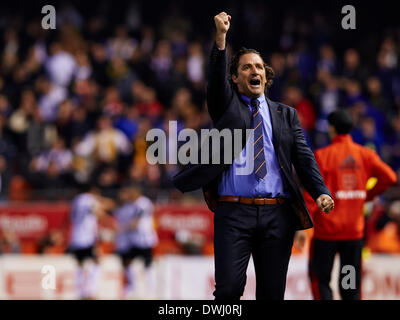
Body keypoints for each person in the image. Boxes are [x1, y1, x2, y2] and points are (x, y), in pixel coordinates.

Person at [172, 12, 334, 300]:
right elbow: (214, 81)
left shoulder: (287, 115)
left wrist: (320, 191)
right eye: (246, 67)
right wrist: (221, 40)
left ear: (266, 76)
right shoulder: (226, 107)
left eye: (258, 66)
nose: (254, 71)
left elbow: (304, 158)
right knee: (229, 290)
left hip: (277, 214)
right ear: (235, 78)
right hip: (233, 214)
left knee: (272, 294)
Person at [304, 109, 397, 300]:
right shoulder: (365, 154)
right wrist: (367, 195)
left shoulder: (322, 155)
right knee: (350, 285)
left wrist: (301, 224)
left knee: (321, 281)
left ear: (332, 129)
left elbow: (310, 194)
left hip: (326, 234)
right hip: (353, 235)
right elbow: (390, 177)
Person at [67, 185, 114, 299]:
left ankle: (79, 292)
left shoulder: (76, 200)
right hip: (86, 238)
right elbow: (98, 211)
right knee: (97, 261)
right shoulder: (88, 199)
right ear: (93, 191)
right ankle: (91, 291)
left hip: (76, 237)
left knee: (80, 264)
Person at [113, 183, 158, 299]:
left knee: (147, 264)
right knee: (127, 261)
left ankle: (151, 291)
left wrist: (121, 228)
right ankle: (131, 287)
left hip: (144, 239)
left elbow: (136, 222)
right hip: (134, 239)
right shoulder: (130, 205)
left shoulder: (143, 203)